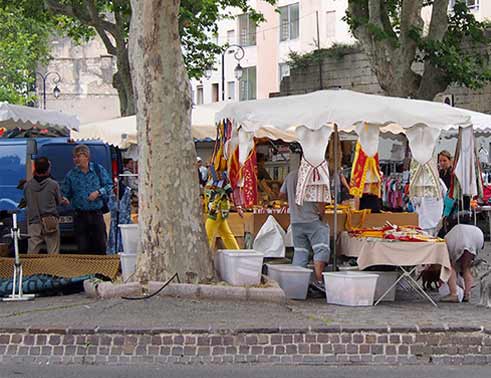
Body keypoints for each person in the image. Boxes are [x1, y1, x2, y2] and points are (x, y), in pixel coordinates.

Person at [279, 168, 330, 292]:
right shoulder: (316, 176)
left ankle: (296, 286)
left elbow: (281, 195)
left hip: (296, 221)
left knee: (300, 252)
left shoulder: (291, 175)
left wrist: (292, 202)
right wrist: (322, 216)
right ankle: (319, 282)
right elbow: (322, 201)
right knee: (321, 249)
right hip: (312, 220)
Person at [62, 144, 113, 254]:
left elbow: (109, 185)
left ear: (86, 156)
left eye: (77, 156)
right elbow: (65, 192)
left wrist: (98, 192)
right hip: (80, 215)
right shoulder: (71, 175)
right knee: (83, 246)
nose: (75, 159)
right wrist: (65, 199)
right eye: (74, 157)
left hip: (96, 214)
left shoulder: (98, 170)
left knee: (100, 244)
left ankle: (101, 269)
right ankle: (86, 270)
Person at [23, 157, 66, 254]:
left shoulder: (27, 186)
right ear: (47, 169)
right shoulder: (53, 184)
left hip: (34, 222)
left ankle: (32, 268)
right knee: (53, 251)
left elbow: (26, 201)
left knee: (32, 252)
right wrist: (64, 201)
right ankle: (52, 268)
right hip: (50, 221)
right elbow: (59, 201)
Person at [441, 215, 484, 303]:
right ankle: (467, 293)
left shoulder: (449, 233)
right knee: (467, 266)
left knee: (449, 265)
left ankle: (454, 294)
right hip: (477, 235)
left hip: (459, 236)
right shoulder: (470, 226)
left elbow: (449, 258)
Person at [204, 169, 243, 249]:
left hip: (217, 210)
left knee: (208, 235)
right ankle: (236, 253)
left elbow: (231, 193)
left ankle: (204, 256)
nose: (209, 169)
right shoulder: (210, 180)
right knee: (226, 234)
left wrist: (238, 206)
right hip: (216, 210)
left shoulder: (222, 181)